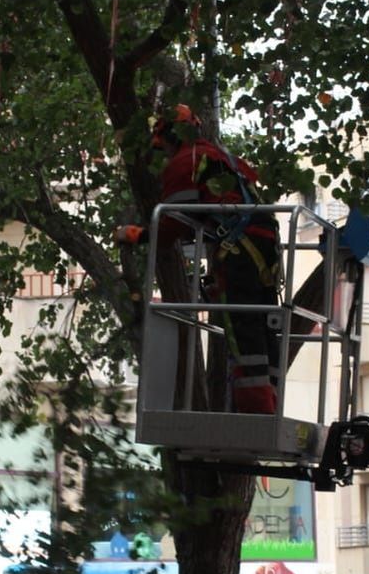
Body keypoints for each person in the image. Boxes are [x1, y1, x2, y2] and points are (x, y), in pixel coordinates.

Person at [117, 104, 282, 414]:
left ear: (168, 136)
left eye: (162, 146)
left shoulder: (184, 162)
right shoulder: (221, 158)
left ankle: (255, 412)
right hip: (264, 246)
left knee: (241, 328)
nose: (163, 154)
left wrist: (137, 235)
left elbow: (172, 227)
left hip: (241, 249)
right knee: (262, 326)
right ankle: (269, 403)